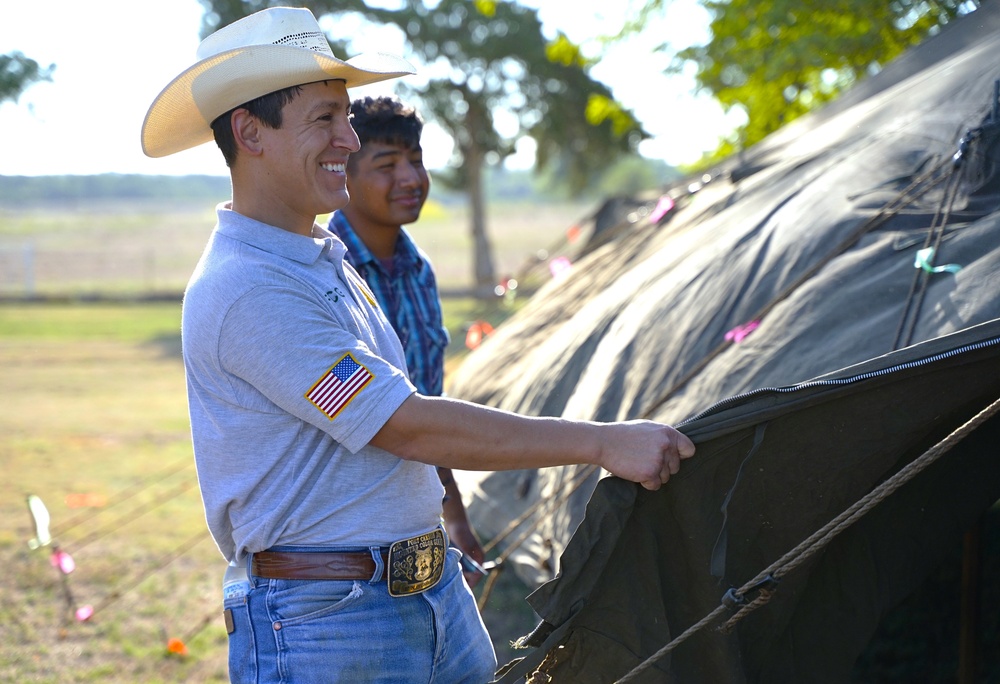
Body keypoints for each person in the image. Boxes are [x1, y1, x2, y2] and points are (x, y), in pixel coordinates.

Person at [141, 7, 695, 684]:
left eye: (346, 116)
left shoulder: (324, 257)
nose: (348, 137)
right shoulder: (248, 287)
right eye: (324, 118)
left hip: (425, 595)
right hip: (333, 623)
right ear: (250, 131)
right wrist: (604, 443)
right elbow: (404, 424)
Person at [327, 96, 486, 586]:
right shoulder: (324, 272)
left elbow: (427, 405)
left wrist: (453, 515)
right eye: (387, 164)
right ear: (343, 174)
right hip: (344, 538)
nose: (411, 179)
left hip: (414, 524)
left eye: (416, 160)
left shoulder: (419, 272)